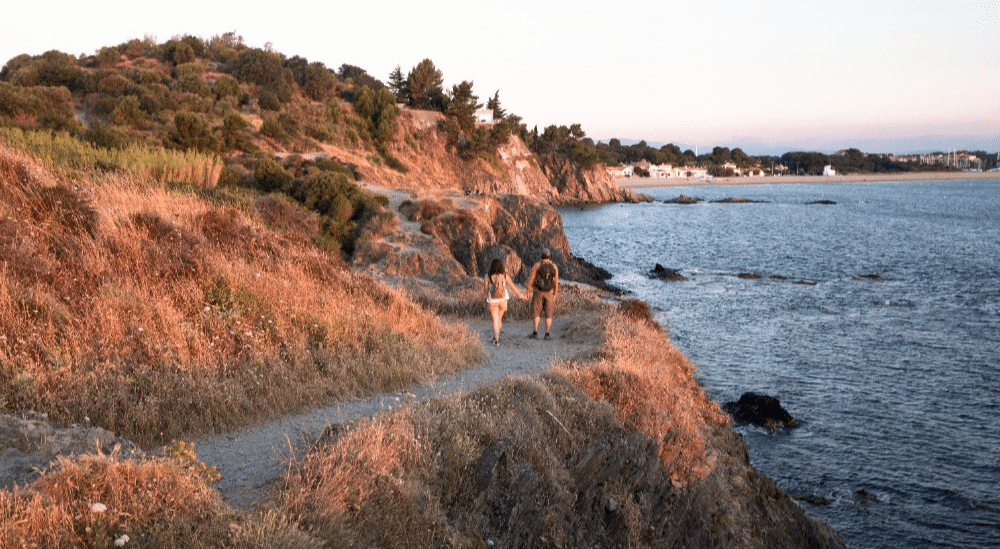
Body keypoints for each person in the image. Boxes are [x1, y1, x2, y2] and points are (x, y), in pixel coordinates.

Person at [484, 258, 524, 346]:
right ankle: (497, 336)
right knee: (499, 319)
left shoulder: (488, 276)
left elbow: (485, 291)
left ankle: (496, 340)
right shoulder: (505, 276)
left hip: (492, 301)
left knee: (495, 320)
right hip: (503, 301)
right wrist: (520, 296)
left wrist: (484, 301)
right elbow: (513, 287)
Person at [525, 248, 559, 340]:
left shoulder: (537, 265)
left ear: (541, 256)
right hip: (549, 293)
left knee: (536, 312)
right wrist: (555, 293)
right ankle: (547, 334)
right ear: (549, 256)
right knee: (548, 314)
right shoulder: (554, 267)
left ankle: (535, 332)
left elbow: (531, 279)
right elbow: (556, 281)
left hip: (538, 292)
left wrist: (527, 291)